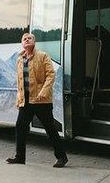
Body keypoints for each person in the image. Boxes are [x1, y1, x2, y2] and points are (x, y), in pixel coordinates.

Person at [6, 33, 68, 167]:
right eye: (24, 39)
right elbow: (19, 81)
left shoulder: (43, 56)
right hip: (26, 101)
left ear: (34, 42)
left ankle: (62, 157)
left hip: (41, 101)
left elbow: (51, 75)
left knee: (50, 128)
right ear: (22, 43)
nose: (27, 40)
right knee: (20, 127)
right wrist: (19, 99)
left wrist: (44, 92)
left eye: (29, 38)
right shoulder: (19, 59)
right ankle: (20, 157)